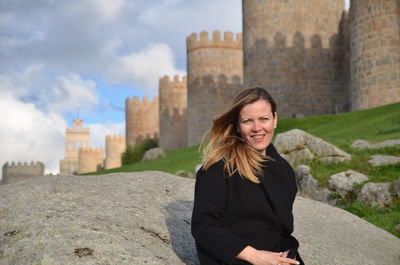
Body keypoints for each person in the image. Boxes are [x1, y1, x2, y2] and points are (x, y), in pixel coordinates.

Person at [191, 87, 304, 265]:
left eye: (264, 119)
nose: (257, 128)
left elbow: (280, 230)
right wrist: (255, 256)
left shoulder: (284, 170)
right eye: (247, 121)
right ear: (237, 125)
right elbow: (203, 227)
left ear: (275, 120)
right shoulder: (219, 167)